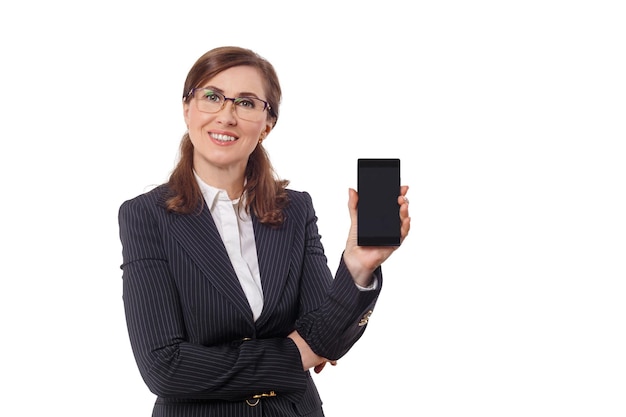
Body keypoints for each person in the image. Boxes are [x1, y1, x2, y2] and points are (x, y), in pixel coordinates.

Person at [118, 45, 411, 417]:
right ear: (187, 109)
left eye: (246, 103)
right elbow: (166, 368)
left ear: (267, 125)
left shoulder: (295, 209)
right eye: (212, 97)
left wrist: (357, 265)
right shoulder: (146, 216)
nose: (226, 115)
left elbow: (327, 337)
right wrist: (296, 355)